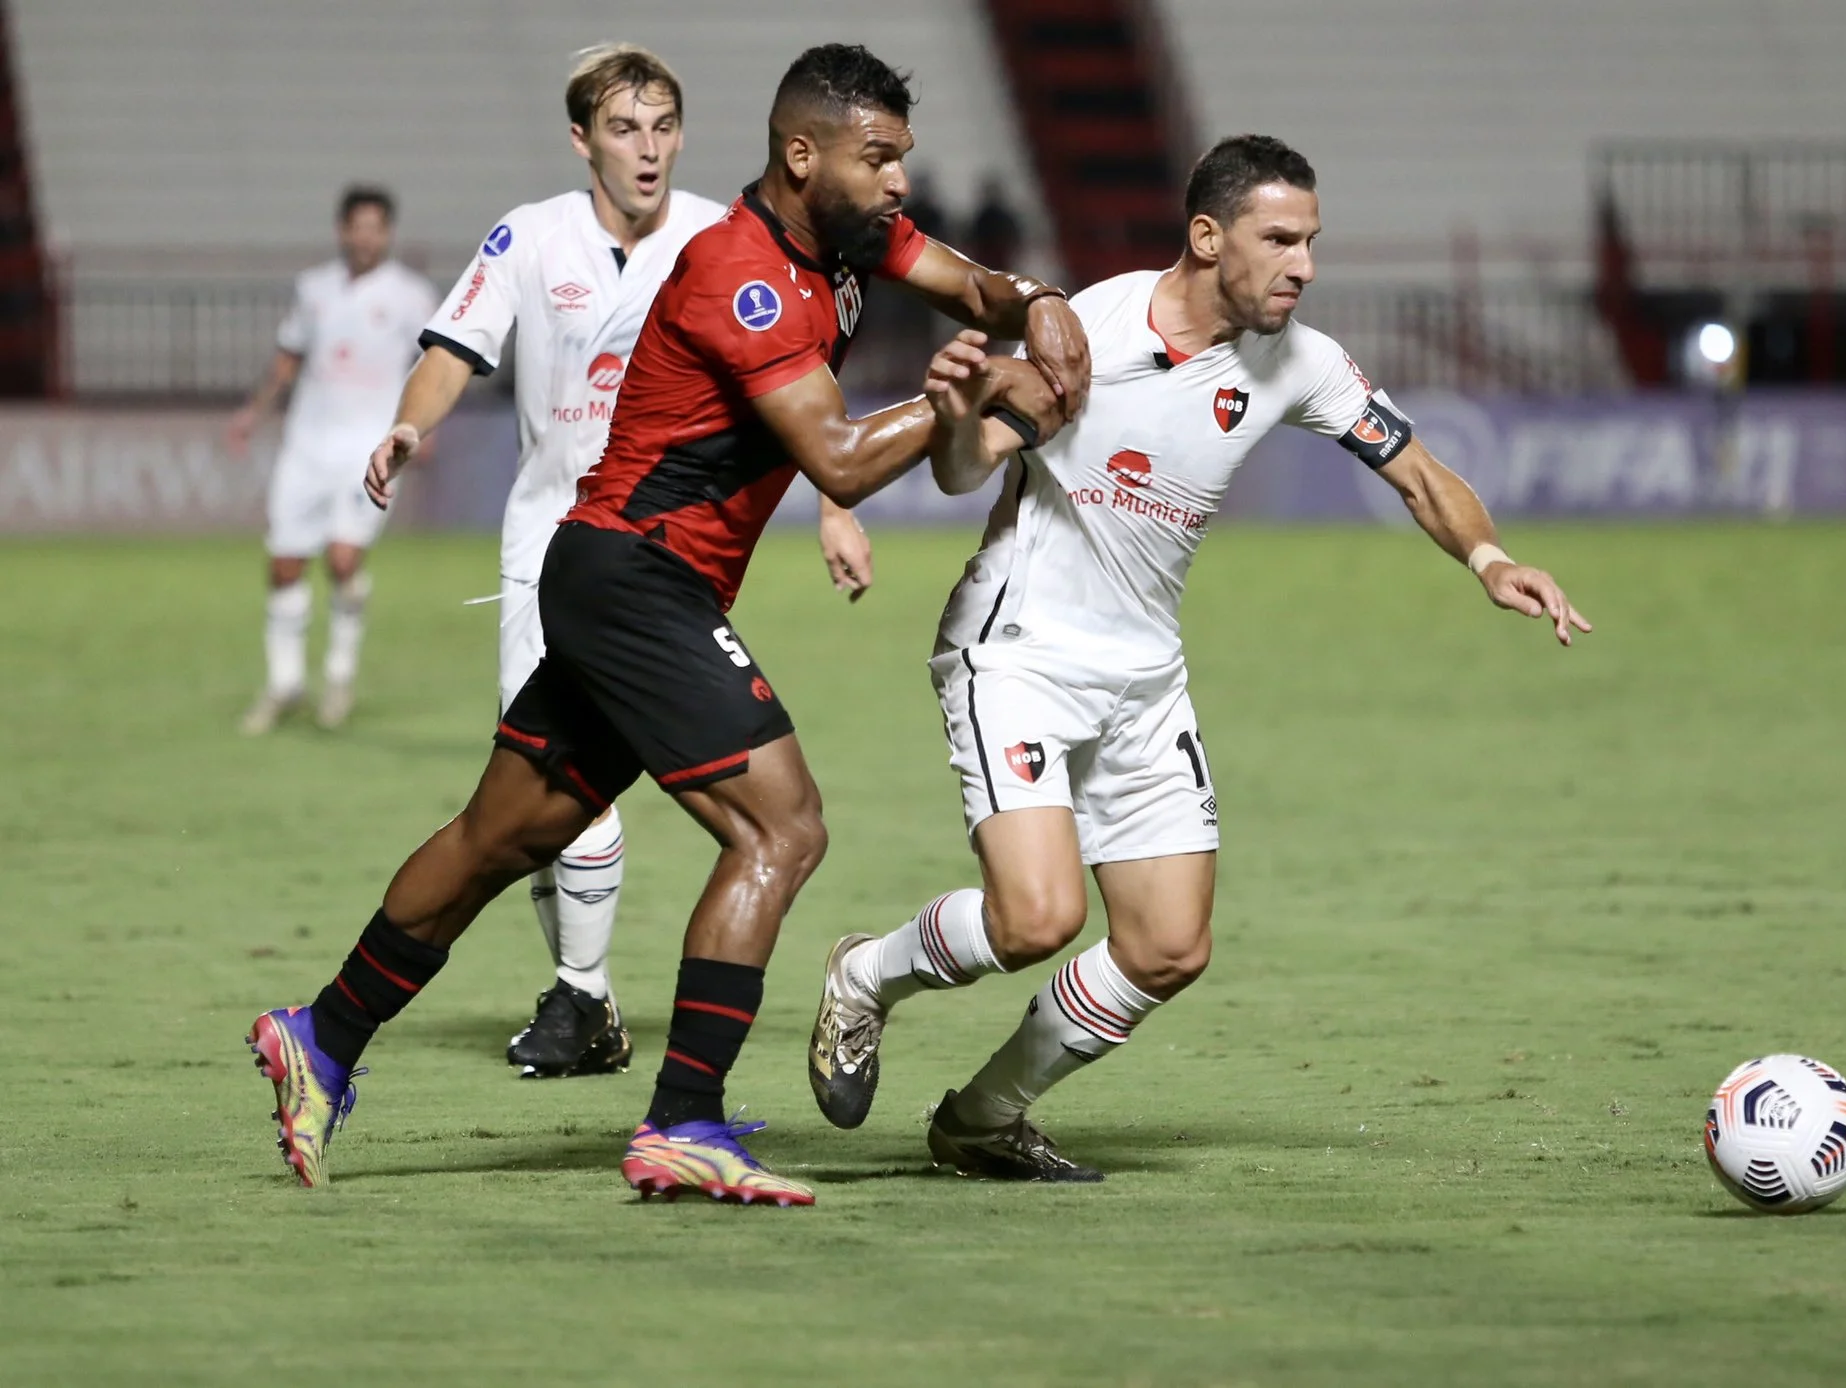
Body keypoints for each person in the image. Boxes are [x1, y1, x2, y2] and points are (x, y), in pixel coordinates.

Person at [245, 43, 1090, 1205]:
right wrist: (975, 389)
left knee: (503, 834)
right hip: (635, 578)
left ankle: (323, 1033)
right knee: (781, 829)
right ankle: (685, 1119)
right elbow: (837, 452)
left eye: (900, 157)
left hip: (621, 579)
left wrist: (1036, 303)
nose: (900, 182)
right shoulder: (738, 272)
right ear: (804, 155)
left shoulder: (852, 237)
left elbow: (972, 283)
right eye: (877, 157)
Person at [807, 134, 1593, 1181]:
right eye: (1279, 239)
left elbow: (1416, 468)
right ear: (1206, 236)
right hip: (1018, 654)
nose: (1302, 264)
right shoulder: (1088, 326)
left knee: (1168, 944)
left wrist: (1487, 556)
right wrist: (960, 416)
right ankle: (864, 972)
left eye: (1310, 241)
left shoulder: (1299, 360)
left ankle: (984, 1114)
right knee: (1038, 916)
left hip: (1142, 675)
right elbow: (964, 472)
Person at [356, 44, 874, 1081]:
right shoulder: (529, 236)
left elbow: (801, 390)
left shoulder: (723, 241)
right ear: (582, 139)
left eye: (663, 126)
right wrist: (409, 430)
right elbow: (453, 349)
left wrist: (833, 504)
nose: (647, 148)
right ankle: (593, 1007)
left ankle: (385, 1023)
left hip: (662, 558)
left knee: (538, 807)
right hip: (552, 542)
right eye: (624, 128)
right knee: (557, 809)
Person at [229, 187, 438, 734]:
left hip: (369, 447)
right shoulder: (313, 288)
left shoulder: (411, 296)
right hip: (307, 444)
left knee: (343, 559)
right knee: (283, 564)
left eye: (376, 227)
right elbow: (288, 359)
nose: (366, 236)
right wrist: (253, 413)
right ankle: (285, 683)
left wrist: (424, 427)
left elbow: (437, 364)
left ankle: (339, 676)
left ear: (387, 233)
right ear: (342, 230)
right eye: (357, 226)